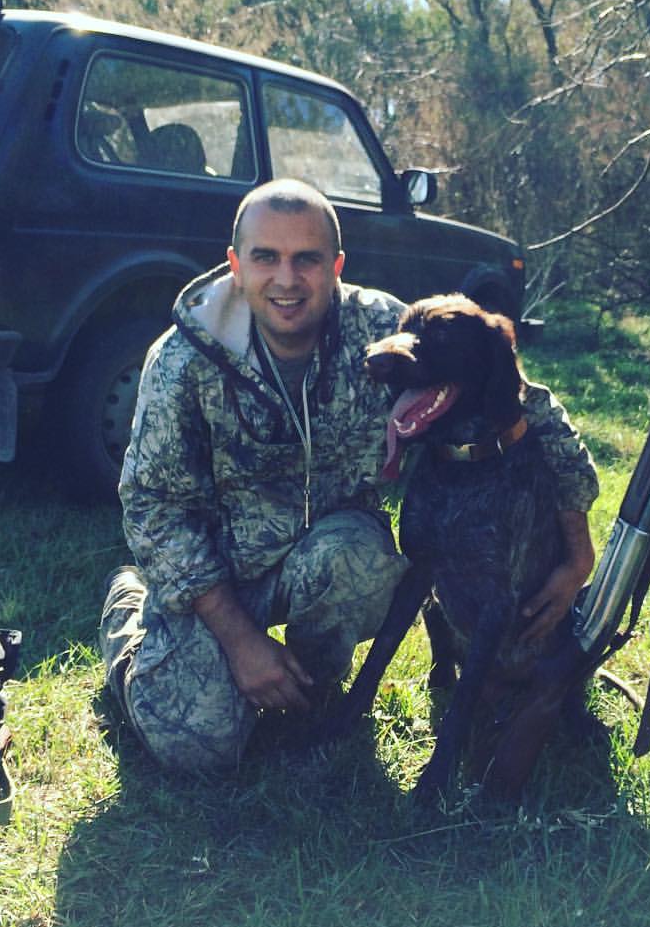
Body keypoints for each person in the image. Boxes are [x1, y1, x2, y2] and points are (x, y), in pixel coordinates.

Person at [99, 178, 599, 773]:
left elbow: (531, 409)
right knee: (196, 748)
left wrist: (577, 555)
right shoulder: (184, 359)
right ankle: (128, 612)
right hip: (219, 573)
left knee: (362, 558)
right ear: (235, 264)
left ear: (336, 266)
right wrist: (238, 639)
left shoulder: (383, 330)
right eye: (266, 257)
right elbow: (152, 505)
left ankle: (311, 681)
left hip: (329, 554)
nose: (287, 280)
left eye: (307, 259)